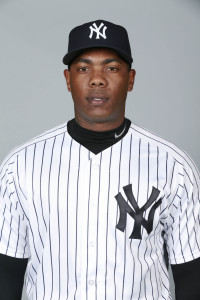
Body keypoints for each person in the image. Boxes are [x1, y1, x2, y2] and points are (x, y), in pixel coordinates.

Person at [0, 19, 200, 300]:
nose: (97, 78)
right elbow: (7, 271)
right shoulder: (20, 165)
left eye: (112, 67)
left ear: (130, 79)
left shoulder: (174, 166)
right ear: (68, 80)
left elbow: (191, 273)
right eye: (83, 68)